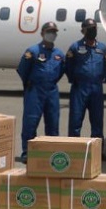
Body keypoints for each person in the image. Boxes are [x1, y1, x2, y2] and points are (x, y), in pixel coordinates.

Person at [17, 21, 66, 163]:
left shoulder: (59, 54)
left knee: (53, 122)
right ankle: (27, 152)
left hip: (51, 90)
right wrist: (29, 83)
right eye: (49, 31)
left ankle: (51, 151)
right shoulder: (33, 51)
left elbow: (61, 71)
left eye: (54, 32)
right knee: (31, 121)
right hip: (35, 90)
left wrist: (51, 81)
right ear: (42, 33)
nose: (52, 34)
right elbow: (22, 69)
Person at [65, 18, 106, 160]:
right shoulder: (75, 47)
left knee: (97, 121)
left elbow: (105, 66)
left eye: (94, 27)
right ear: (82, 30)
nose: (92, 30)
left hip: (96, 88)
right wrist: (75, 79)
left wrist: (98, 78)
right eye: (89, 28)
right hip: (80, 88)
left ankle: (98, 152)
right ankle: (74, 151)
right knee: (76, 120)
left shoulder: (101, 48)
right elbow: (68, 66)